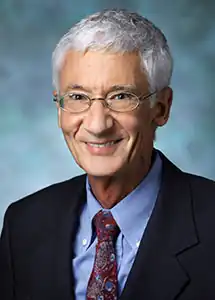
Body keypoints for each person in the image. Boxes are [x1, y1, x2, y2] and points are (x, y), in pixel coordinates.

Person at [1, 8, 215, 300]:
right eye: (78, 97)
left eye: (121, 96)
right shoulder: (23, 224)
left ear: (161, 108)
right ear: (59, 107)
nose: (97, 124)